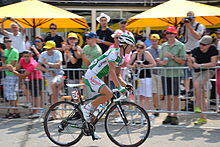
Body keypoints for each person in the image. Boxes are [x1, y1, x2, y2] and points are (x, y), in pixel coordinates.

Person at [80, 34, 135, 139]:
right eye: (131, 46)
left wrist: (126, 85)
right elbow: (112, 73)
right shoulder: (113, 54)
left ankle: (90, 128)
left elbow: (118, 76)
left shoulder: (121, 58)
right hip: (92, 75)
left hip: (97, 76)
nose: (132, 48)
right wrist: (120, 88)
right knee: (109, 94)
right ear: (124, 45)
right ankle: (86, 108)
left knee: (102, 105)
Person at [158, 26, 186, 125]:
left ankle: (175, 115)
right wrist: (161, 63)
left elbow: (183, 61)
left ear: (175, 34)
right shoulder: (163, 46)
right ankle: (169, 115)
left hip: (176, 73)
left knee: (175, 96)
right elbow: (160, 60)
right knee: (167, 95)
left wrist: (172, 57)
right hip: (165, 73)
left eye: (171, 33)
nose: (169, 35)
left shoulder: (180, 45)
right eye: (167, 33)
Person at [188, 35, 218, 125]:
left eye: (204, 45)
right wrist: (191, 60)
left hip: (208, 71)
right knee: (202, 94)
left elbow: (213, 63)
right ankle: (203, 117)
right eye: (201, 44)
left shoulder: (213, 49)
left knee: (197, 84)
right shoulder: (196, 50)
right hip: (196, 72)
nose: (201, 46)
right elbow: (190, 65)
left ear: (209, 45)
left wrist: (200, 65)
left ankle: (197, 105)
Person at [7, 50, 43, 119]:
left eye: (27, 56)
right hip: (30, 79)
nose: (25, 58)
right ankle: (31, 105)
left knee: (36, 96)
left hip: (37, 78)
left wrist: (13, 71)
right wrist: (11, 68)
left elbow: (23, 76)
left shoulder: (32, 64)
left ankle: (37, 111)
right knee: (24, 88)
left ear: (30, 56)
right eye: (24, 56)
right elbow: (17, 68)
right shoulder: (22, 59)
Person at [179, 11, 205, 96]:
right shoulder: (184, 26)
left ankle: (196, 90)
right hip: (186, 50)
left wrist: (190, 27)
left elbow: (198, 37)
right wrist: (181, 24)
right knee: (185, 72)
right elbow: (180, 35)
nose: (189, 20)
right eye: (187, 18)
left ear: (194, 18)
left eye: (190, 18)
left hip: (196, 51)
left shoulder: (199, 26)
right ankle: (187, 91)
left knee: (195, 72)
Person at [128, 41, 156, 117]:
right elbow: (128, 65)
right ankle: (142, 112)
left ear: (144, 48)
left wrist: (144, 66)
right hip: (137, 78)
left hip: (146, 77)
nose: (139, 49)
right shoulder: (134, 54)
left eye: (141, 47)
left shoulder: (146, 54)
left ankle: (149, 112)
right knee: (140, 95)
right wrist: (133, 66)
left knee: (147, 95)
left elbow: (153, 64)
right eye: (137, 47)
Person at [1, 38, 20, 119]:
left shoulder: (14, 51)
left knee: (12, 95)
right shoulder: (5, 51)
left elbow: (11, 66)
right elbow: (5, 63)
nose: (8, 43)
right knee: (9, 95)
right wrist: (4, 66)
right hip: (7, 75)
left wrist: (2, 67)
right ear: (4, 43)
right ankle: (13, 111)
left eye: (10, 41)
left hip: (12, 75)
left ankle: (14, 111)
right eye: (7, 42)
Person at [81, 32, 103, 99]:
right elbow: (79, 57)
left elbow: (88, 63)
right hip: (85, 73)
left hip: (93, 74)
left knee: (93, 94)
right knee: (86, 94)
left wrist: (82, 53)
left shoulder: (97, 51)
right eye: (86, 38)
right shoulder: (86, 47)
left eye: (89, 38)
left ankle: (94, 108)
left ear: (94, 39)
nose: (87, 40)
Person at [147, 34, 163, 116]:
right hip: (152, 72)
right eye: (152, 40)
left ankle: (158, 105)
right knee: (154, 91)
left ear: (158, 40)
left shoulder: (162, 48)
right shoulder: (148, 50)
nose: (154, 42)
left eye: (155, 40)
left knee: (161, 92)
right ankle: (156, 107)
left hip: (161, 72)